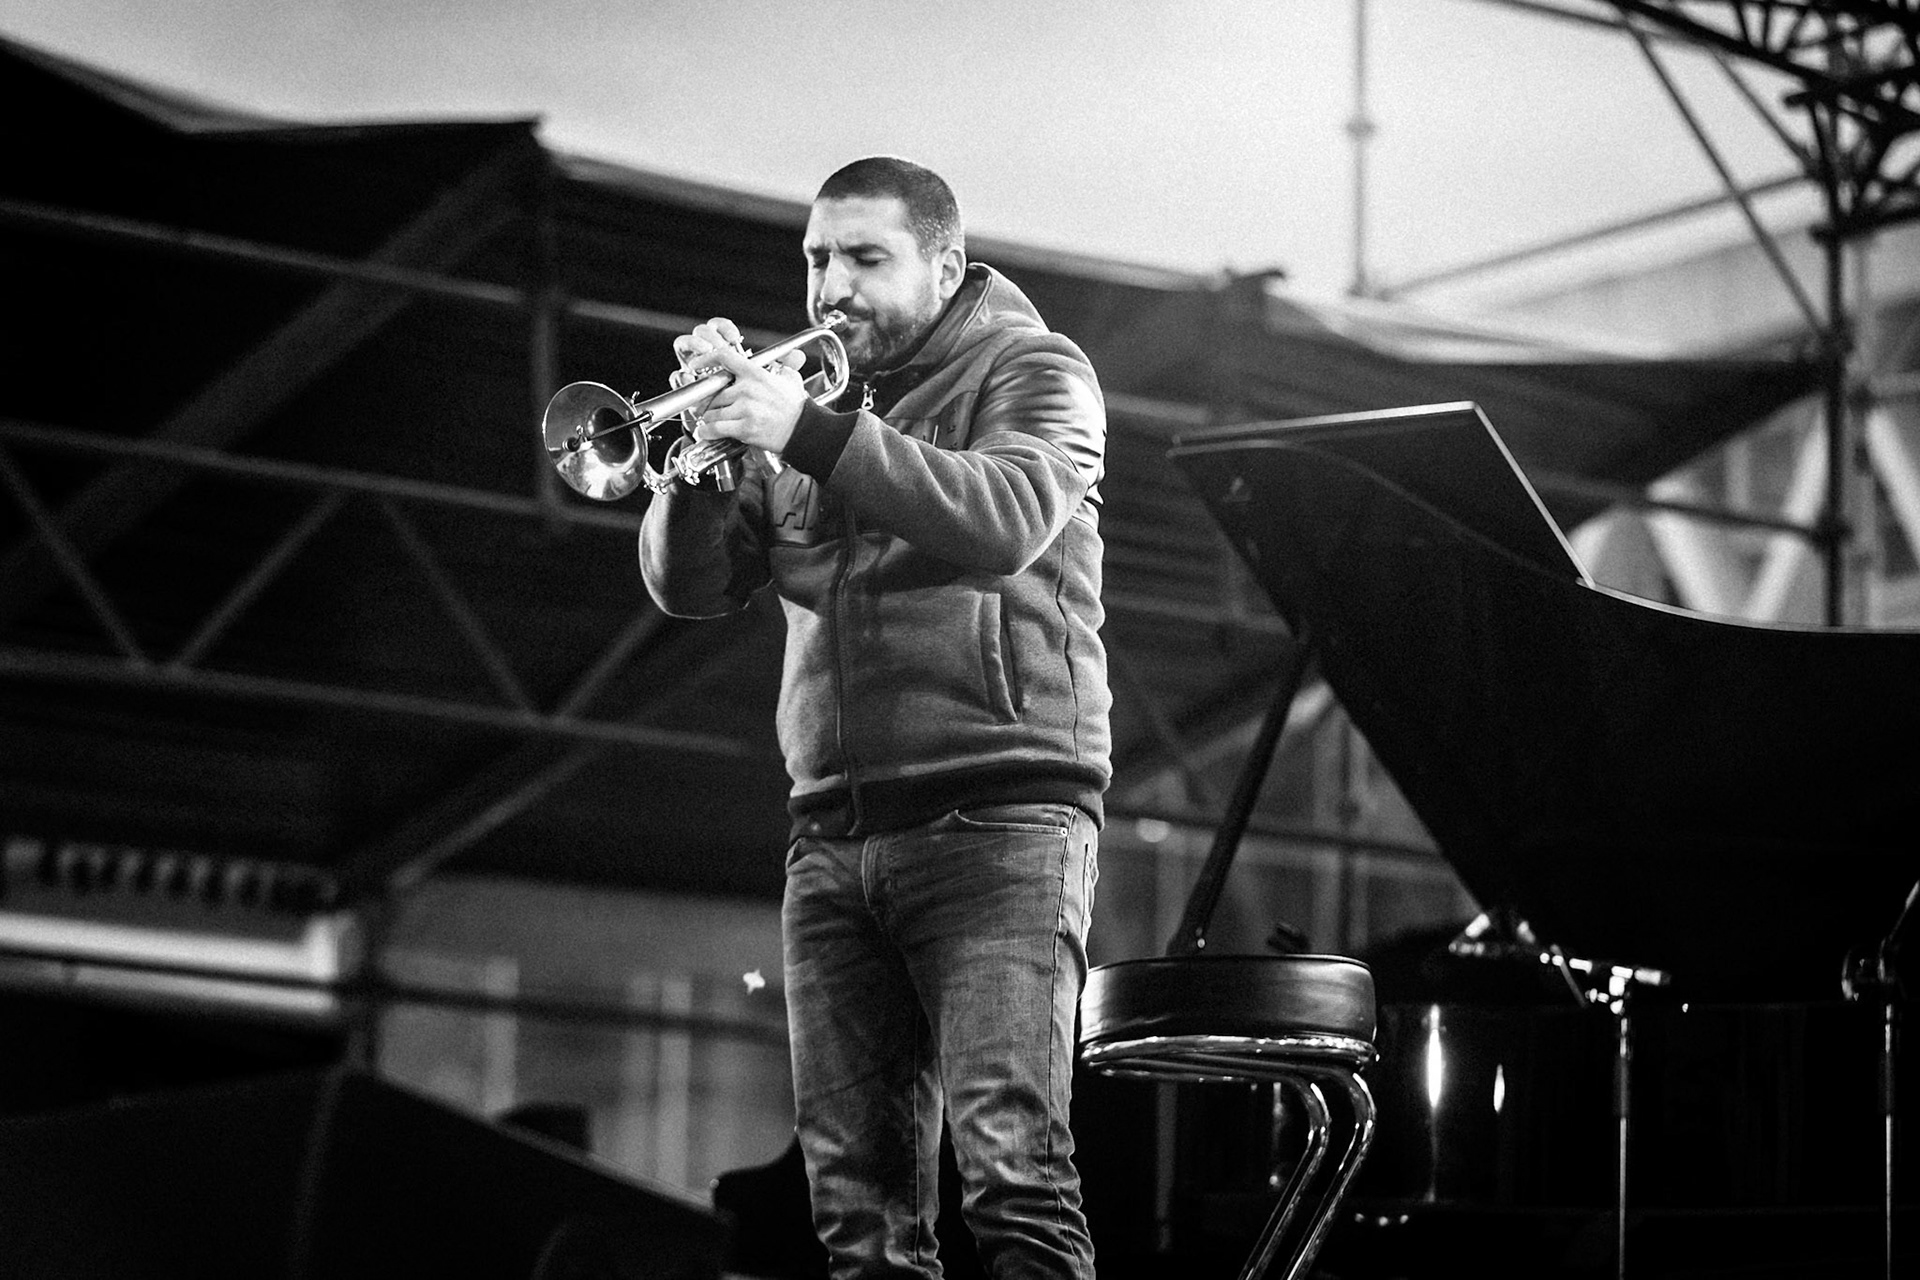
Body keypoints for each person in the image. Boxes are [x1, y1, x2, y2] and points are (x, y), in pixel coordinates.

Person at [639, 155, 1111, 1280]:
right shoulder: (800, 407)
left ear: (945, 267)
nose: (830, 286)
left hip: (1001, 820)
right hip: (833, 833)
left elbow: (1003, 518)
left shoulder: (1038, 369)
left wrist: (802, 428)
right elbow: (690, 588)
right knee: (858, 1215)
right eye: (816, 258)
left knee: (1013, 1175)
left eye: (863, 257)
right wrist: (697, 473)